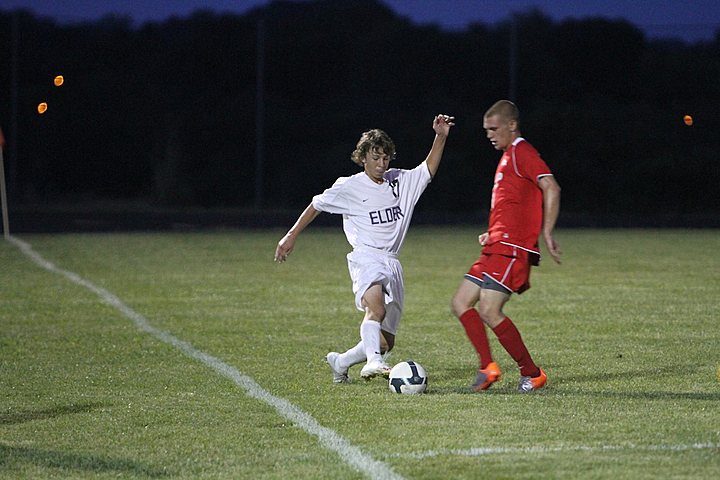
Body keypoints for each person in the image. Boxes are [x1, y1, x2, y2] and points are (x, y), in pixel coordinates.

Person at [275, 114, 455, 382]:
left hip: (392, 262)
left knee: (385, 342)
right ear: (363, 158)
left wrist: (440, 136)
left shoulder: (399, 181)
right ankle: (373, 362)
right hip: (366, 257)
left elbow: (427, 169)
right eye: (375, 158)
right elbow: (316, 205)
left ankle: (341, 361)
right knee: (376, 309)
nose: (381, 164)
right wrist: (290, 236)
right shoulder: (349, 186)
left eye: (385, 158)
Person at [450, 100, 561, 393]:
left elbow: (551, 185)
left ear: (512, 125)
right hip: (496, 244)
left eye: (494, 128)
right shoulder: (507, 155)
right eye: (486, 129)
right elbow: (513, 204)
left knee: (489, 309)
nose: (489, 134)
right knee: (461, 303)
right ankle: (488, 367)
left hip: (512, 248)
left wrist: (546, 232)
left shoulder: (522, 151)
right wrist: (492, 232)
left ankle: (532, 373)